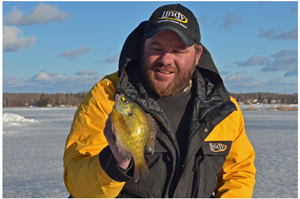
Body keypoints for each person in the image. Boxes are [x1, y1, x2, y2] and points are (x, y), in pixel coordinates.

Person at [63, 4, 256, 198]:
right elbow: (78, 185)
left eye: (179, 51)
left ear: (197, 55)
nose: (165, 59)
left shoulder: (222, 108)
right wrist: (113, 166)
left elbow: (238, 174)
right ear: (142, 48)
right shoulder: (108, 96)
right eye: (156, 48)